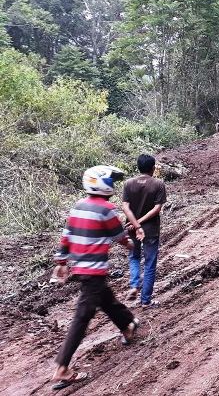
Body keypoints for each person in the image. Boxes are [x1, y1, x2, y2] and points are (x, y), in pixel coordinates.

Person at [50, 165, 140, 390]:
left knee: (107, 301)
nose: (113, 185)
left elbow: (67, 235)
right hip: (93, 271)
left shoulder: (78, 206)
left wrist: (61, 262)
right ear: (102, 183)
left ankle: (128, 325)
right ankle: (62, 367)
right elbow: (118, 235)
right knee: (82, 317)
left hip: (82, 269)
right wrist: (129, 244)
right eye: (110, 181)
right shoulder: (106, 209)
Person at [121, 154, 167, 308]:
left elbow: (125, 207)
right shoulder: (158, 184)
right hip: (150, 230)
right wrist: (140, 223)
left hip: (131, 228)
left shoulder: (128, 184)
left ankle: (134, 285)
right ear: (153, 168)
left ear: (138, 167)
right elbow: (157, 208)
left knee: (134, 257)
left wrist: (135, 224)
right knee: (149, 263)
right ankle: (146, 300)